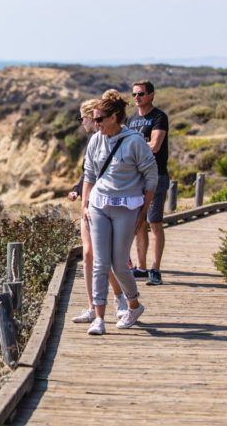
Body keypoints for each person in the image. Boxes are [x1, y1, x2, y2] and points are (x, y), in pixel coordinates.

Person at [81, 90, 158, 335]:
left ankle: (133, 305)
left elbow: (152, 177)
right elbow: (89, 174)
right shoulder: (96, 140)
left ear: (114, 117)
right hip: (99, 205)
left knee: (119, 265)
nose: (96, 124)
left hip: (126, 207)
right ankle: (99, 318)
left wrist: (143, 213)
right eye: (94, 119)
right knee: (100, 263)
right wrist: (85, 204)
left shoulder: (134, 141)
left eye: (100, 119)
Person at [68, 99, 128, 324]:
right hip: (89, 203)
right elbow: (88, 174)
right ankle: (92, 307)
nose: (82, 123)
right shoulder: (94, 141)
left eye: (82, 118)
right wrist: (78, 191)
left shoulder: (111, 140)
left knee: (102, 257)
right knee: (88, 254)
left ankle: (120, 296)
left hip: (106, 204)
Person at [127, 80, 169, 286]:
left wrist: (134, 147)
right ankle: (141, 267)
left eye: (141, 94)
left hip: (156, 176)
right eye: (134, 94)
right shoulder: (132, 119)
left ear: (151, 95)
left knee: (155, 223)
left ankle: (155, 269)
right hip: (136, 178)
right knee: (139, 223)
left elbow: (155, 146)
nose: (137, 97)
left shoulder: (159, 117)